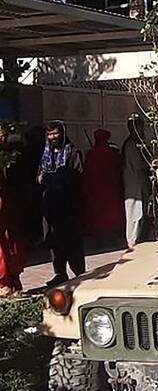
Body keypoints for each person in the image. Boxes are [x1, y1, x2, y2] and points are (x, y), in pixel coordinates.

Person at [37, 121, 85, 286]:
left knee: (71, 240)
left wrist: (61, 178)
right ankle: (60, 272)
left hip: (68, 206)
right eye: (50, 134)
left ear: (62, 133)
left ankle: (80, 273)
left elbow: (78, 176)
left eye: (55, 133)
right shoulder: (46, 155)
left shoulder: (72, 152)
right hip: (50, 205)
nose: (53, 137)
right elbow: (39, 176)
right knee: (53, 240)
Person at [83, 129, 124, 244]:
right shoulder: (113, 154)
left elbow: (86, 173)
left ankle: (99, 236)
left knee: (98, 214)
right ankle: (112, 235)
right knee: (111, 213)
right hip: (111, 188)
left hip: (96, 190)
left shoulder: (91, 154)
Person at [0, 125, 24, 297]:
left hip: (7, 206)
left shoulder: (11, 156)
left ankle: (9, 281)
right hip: (6, 205)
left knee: (9, 242)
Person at [122, 116, 152, 248]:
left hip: (137, 183)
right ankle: (132, 242)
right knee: (134, 214)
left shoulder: (138, 143)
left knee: (140, 213)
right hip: (134, 184)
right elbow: (139, 166)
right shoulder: (131, 145)